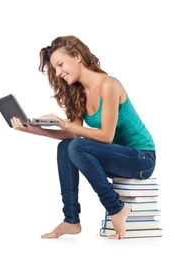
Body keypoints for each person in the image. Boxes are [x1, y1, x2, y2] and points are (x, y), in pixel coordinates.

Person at [11, 35, 156, 239]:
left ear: (77, 56)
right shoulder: (80, 93)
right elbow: (72, 134)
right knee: (66, 146)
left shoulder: (109, 85)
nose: (59, 73)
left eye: (60, 64)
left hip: (141, 159)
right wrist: (33, 129)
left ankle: (116, 208)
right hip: (116, 158)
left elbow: (106, 136)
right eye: (55, 69)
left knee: (76, 146)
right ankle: (71, 220)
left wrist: (63, 123)